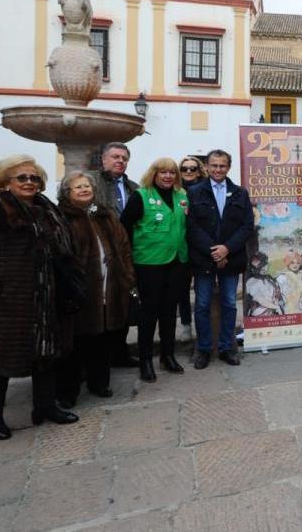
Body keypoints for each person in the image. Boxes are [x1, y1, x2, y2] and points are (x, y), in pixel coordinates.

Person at [0, 155, 79, 440]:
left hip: (46, 297)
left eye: (34, 178)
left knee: (46, 354)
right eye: (22, 177)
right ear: (5, 183)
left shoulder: (47, 211)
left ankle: (45, 406)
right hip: (7, 302)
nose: (29, 182)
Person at [55, 170, 136, 406]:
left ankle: (99, 383)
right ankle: (68, 392)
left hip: (109, 287)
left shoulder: (104, 215)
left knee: (102, 340)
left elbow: (123, 246)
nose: (84, 190)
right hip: (79, 290)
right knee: (75, 343)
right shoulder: (61, 217)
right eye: (77, 187)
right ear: (67, 192)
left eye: (87, 186)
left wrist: (127, 276)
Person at [120, 157, 189, 382]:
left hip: (177, 262)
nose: (168, 176)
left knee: (170, 312)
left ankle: (167, 356)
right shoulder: (141, 196)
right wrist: (128, 260)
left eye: (172, 173)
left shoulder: (182, 196)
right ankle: (146, 360)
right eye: (163, 172)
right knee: (148, 314)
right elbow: (124, 229)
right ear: (154, 174)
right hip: (149, 264)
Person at [185, 149, 253, 368]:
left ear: (228, 167)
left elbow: (246, 226)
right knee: (202, 304)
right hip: (204, 259)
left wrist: (227, 249)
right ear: (207, 166)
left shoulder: (240, 193)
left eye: (222, 165)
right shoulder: (195, 192)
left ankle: (227, 347)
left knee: (230, 304)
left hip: (231, 259)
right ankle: (203, 349)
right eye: (214, 165)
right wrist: (214, 251)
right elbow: (192, 226)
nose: (218, 169)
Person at [92, 142, 140, 369]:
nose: (120, 161)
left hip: (128, 252)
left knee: (125, 302)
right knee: (102, 305)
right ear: (103, 159)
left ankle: (120, 352)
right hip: (101, 253)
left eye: (124, 158)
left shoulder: (133, 187)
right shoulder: (92, 183)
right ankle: (99, 357)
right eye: (115, 157)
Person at [177, 155, 206, 342]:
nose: (188, 171)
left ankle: (205, 327)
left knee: (204, 292)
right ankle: (186, 325)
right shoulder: (175, 190)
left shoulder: (205, 189)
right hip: (182, 247)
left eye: (192, 168)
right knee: (182, 290)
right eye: (184, 168)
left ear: (198, 170)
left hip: (201, 246)